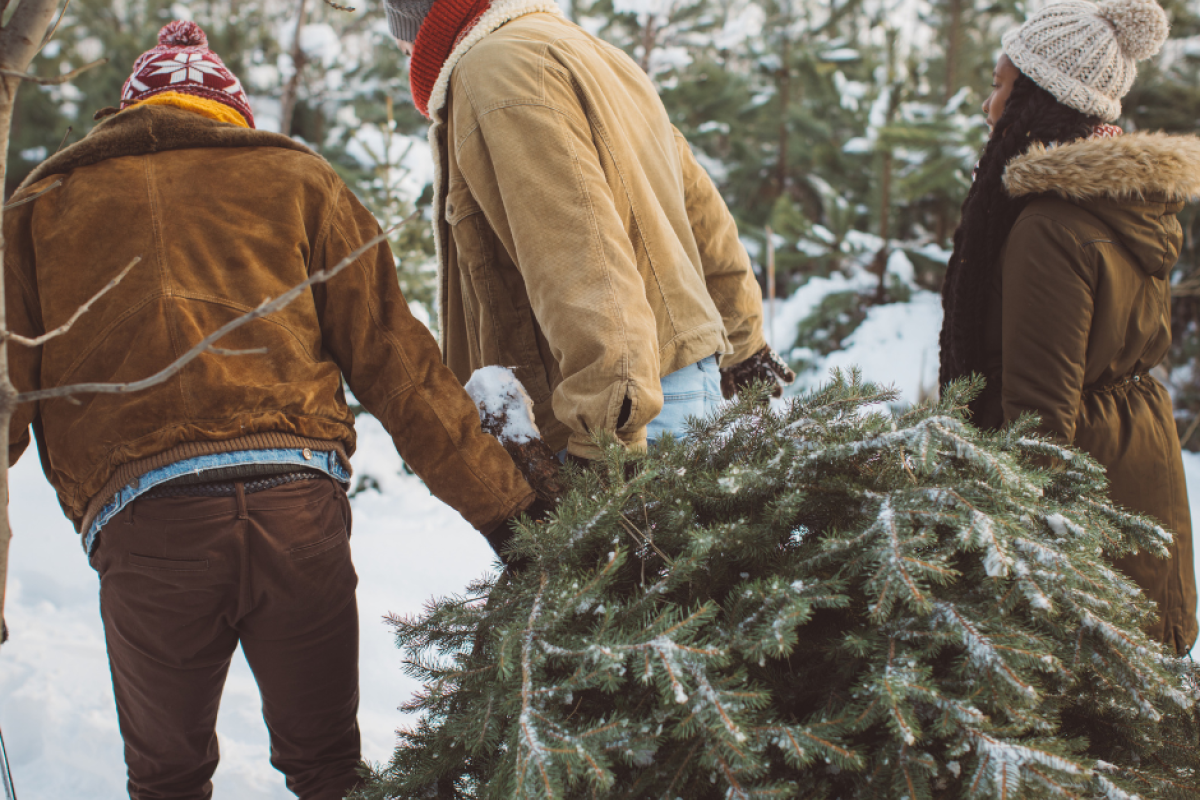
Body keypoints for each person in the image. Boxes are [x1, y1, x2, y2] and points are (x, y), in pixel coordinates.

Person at [3, 21, 544, 800]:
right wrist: (509, 513)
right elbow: (399, 366)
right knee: (328, 768)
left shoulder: (42, 206)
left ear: (124, 114)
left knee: (166, 780)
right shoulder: (296, 179)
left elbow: (5, 399)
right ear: (231, 115)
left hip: (148, 525)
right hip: (295, 510)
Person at [383, 0, 794, 463]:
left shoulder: (494, 71)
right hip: (673, 385)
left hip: (616, 413)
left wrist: (605, 429)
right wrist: (744, 337)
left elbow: (578, 254)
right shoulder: (593, 51)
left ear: (423, 25)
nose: (408, 63)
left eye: (404, 49)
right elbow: (697, 208)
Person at [938, 0, 1200, 652]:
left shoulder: (1049, 226)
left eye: (999, 86)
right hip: (1132, 458)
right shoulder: (1117, 202)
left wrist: (1020, 558)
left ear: (1038, 100)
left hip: (1085, 483)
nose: (988, 107)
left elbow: (1039, 419)